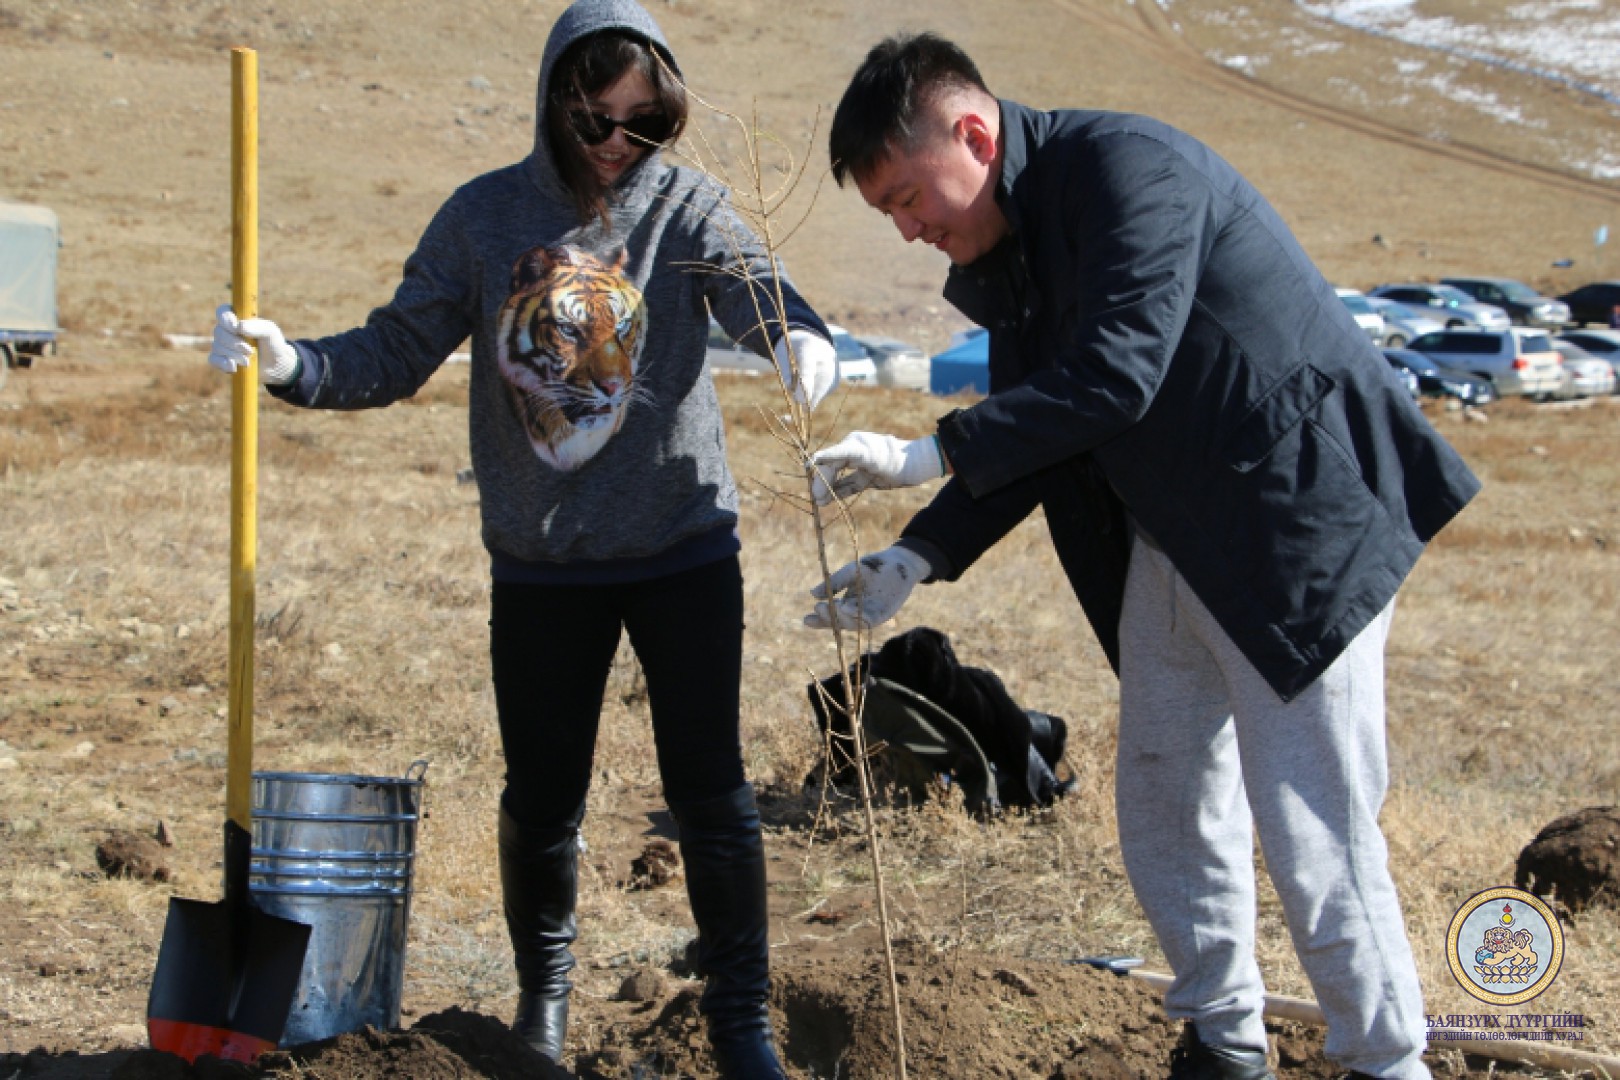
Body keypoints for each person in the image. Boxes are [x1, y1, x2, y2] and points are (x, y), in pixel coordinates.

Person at [805, 33, 1480, 1080]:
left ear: (972, 135)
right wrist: (917, 555)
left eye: (906, 196)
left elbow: (1116, 375)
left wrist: (923, 450)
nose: (907, 229)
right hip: (1173, 541)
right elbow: (1039, 429)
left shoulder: (1130, 173)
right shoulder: (1016, 248)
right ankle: (1224, 1040)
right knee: (1167, 799)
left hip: (1292, 529)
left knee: (1314, 826)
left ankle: (1385, 1060)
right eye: (887, 212)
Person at [207, 2, 838, 1074]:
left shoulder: (685, 205)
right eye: (597, 120)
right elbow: (398, 348)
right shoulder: (483, 217)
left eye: (645, 123)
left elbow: (752, 287)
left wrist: (797, 338)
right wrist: (295, 365)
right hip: (543, 565)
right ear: (555, 103)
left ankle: (742, 1023)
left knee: (711, 792)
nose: (618, 144)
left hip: (682, 547)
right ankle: (542, 1002)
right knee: (542, 798)